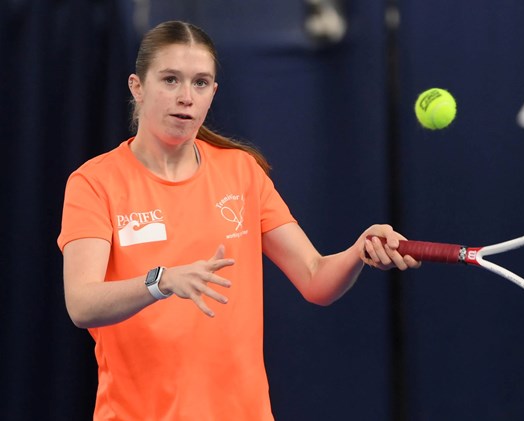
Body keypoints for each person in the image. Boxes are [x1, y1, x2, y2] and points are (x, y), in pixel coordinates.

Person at [57, 20, 420, 421]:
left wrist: (358, 252)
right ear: (137, 87)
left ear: (213, 93)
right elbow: (82, 303)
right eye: (170, 80)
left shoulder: (241, 173)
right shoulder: (94, 182)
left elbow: (315, 277)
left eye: (200, 83)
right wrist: (161, 282)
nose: (185, 97)